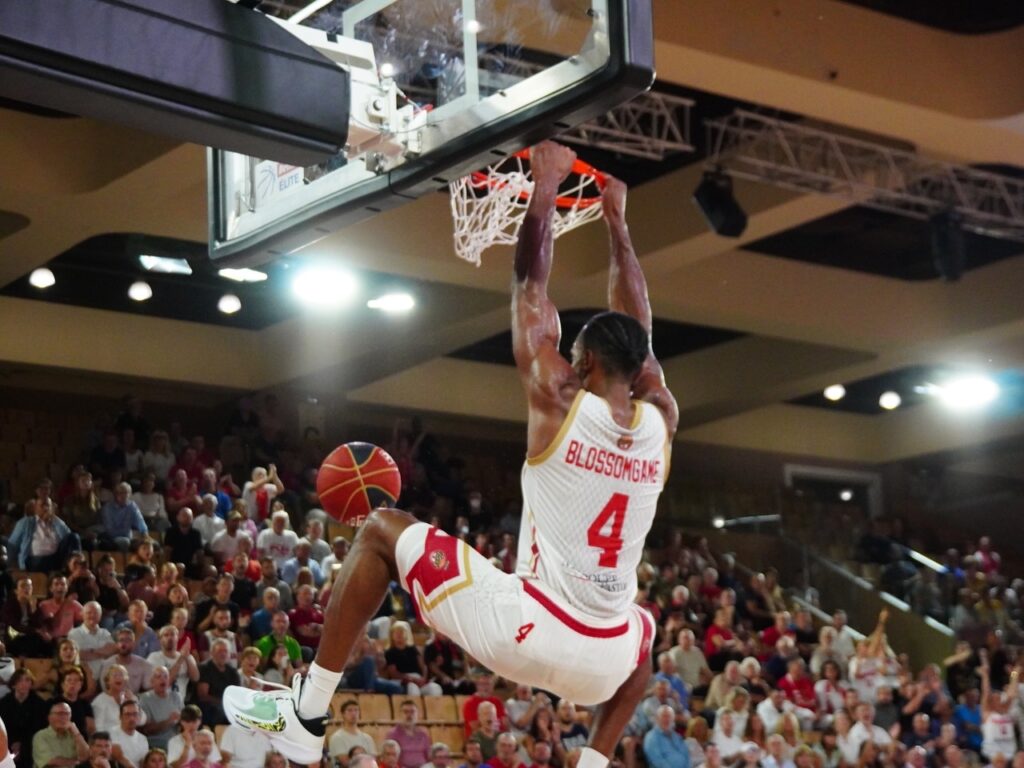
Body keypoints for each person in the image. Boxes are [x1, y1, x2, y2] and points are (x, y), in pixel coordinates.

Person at [223, 143, 677, 768]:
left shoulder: (558, 396)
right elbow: (640, 334)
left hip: (532, 627)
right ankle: (595, 762)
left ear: (586, 365)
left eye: (575, 355)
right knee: (643, 632)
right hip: (604, 665)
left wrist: (544, 188)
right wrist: (619, 226)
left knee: (381, 529)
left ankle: (305, 712)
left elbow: (529, 288)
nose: (566, 359)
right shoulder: (662, 420)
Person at [9, 499, 81, 573]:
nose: (45, 508)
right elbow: (12, 544)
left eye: (48, 505)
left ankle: (79, 566)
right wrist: (15, 566)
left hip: (56, 558)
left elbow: (67, 537)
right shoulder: (26, 522)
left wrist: (54, 519)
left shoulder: (56, 521)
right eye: (42, 505)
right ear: (35, 508)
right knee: (43, 561)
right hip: (35, 560)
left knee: (74, 536)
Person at [0, 669, 49, 768]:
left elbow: (39, 729)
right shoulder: (3, 703)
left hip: (31, 747)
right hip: (7, 746)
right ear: (13, 684)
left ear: (31, 684)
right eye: (20, 681)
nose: (24, 684)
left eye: (27, 680)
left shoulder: (40, 704)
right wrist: (12, 744)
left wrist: (23, 745)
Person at [33, 701, 89, 768]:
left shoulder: (74, 735)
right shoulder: (41, 736)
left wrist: (77, 734)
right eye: (59, 714)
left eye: (67, 714)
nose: (63, 717)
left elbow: (86, 757)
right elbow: (52, 762)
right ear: (49, 718)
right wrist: (78, 763)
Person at [146, 626, 198, 699]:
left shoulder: (187, 657)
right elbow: (165, 682)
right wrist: (181, 658)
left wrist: (187, 656)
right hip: (160, 700)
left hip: (180, 703)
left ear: (177, 638)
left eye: (173, 635)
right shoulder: (154, 657)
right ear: (160, 639)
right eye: (166, 635)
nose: (170, 638)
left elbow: (195, 678)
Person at [139, 668, 182, 752]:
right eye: (158, 677)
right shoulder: (145, 699)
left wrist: (182, 720)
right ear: (152, 681)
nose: (163, 679)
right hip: (156, 743)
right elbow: (147, 730)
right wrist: (168, 721)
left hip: (176, 740)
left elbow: (184, 722)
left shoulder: (176, 696)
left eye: (166, 676)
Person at [327, 700, 376, 767]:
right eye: (349, 710)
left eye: (356, 710)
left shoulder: (367, 738)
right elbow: (345, 762)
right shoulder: (337, 737)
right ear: (343, 714)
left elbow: (372, 760)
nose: (353, 713)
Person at [384, 701, 430, 768]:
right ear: (400, 714)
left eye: (412, 712)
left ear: (417, 714)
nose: (409, 715)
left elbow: (428, 756)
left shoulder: (423, 734)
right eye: (406, 712)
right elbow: (390, 759)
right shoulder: (393, 734)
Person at [110, 701, 149, 768]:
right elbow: (118, 757)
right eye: (127, 714)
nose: (131, 718)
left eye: (135, 714)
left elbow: (143, 763)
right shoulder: (111, 733)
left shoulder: (143, 739)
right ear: (120, 717)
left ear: (139, 717)